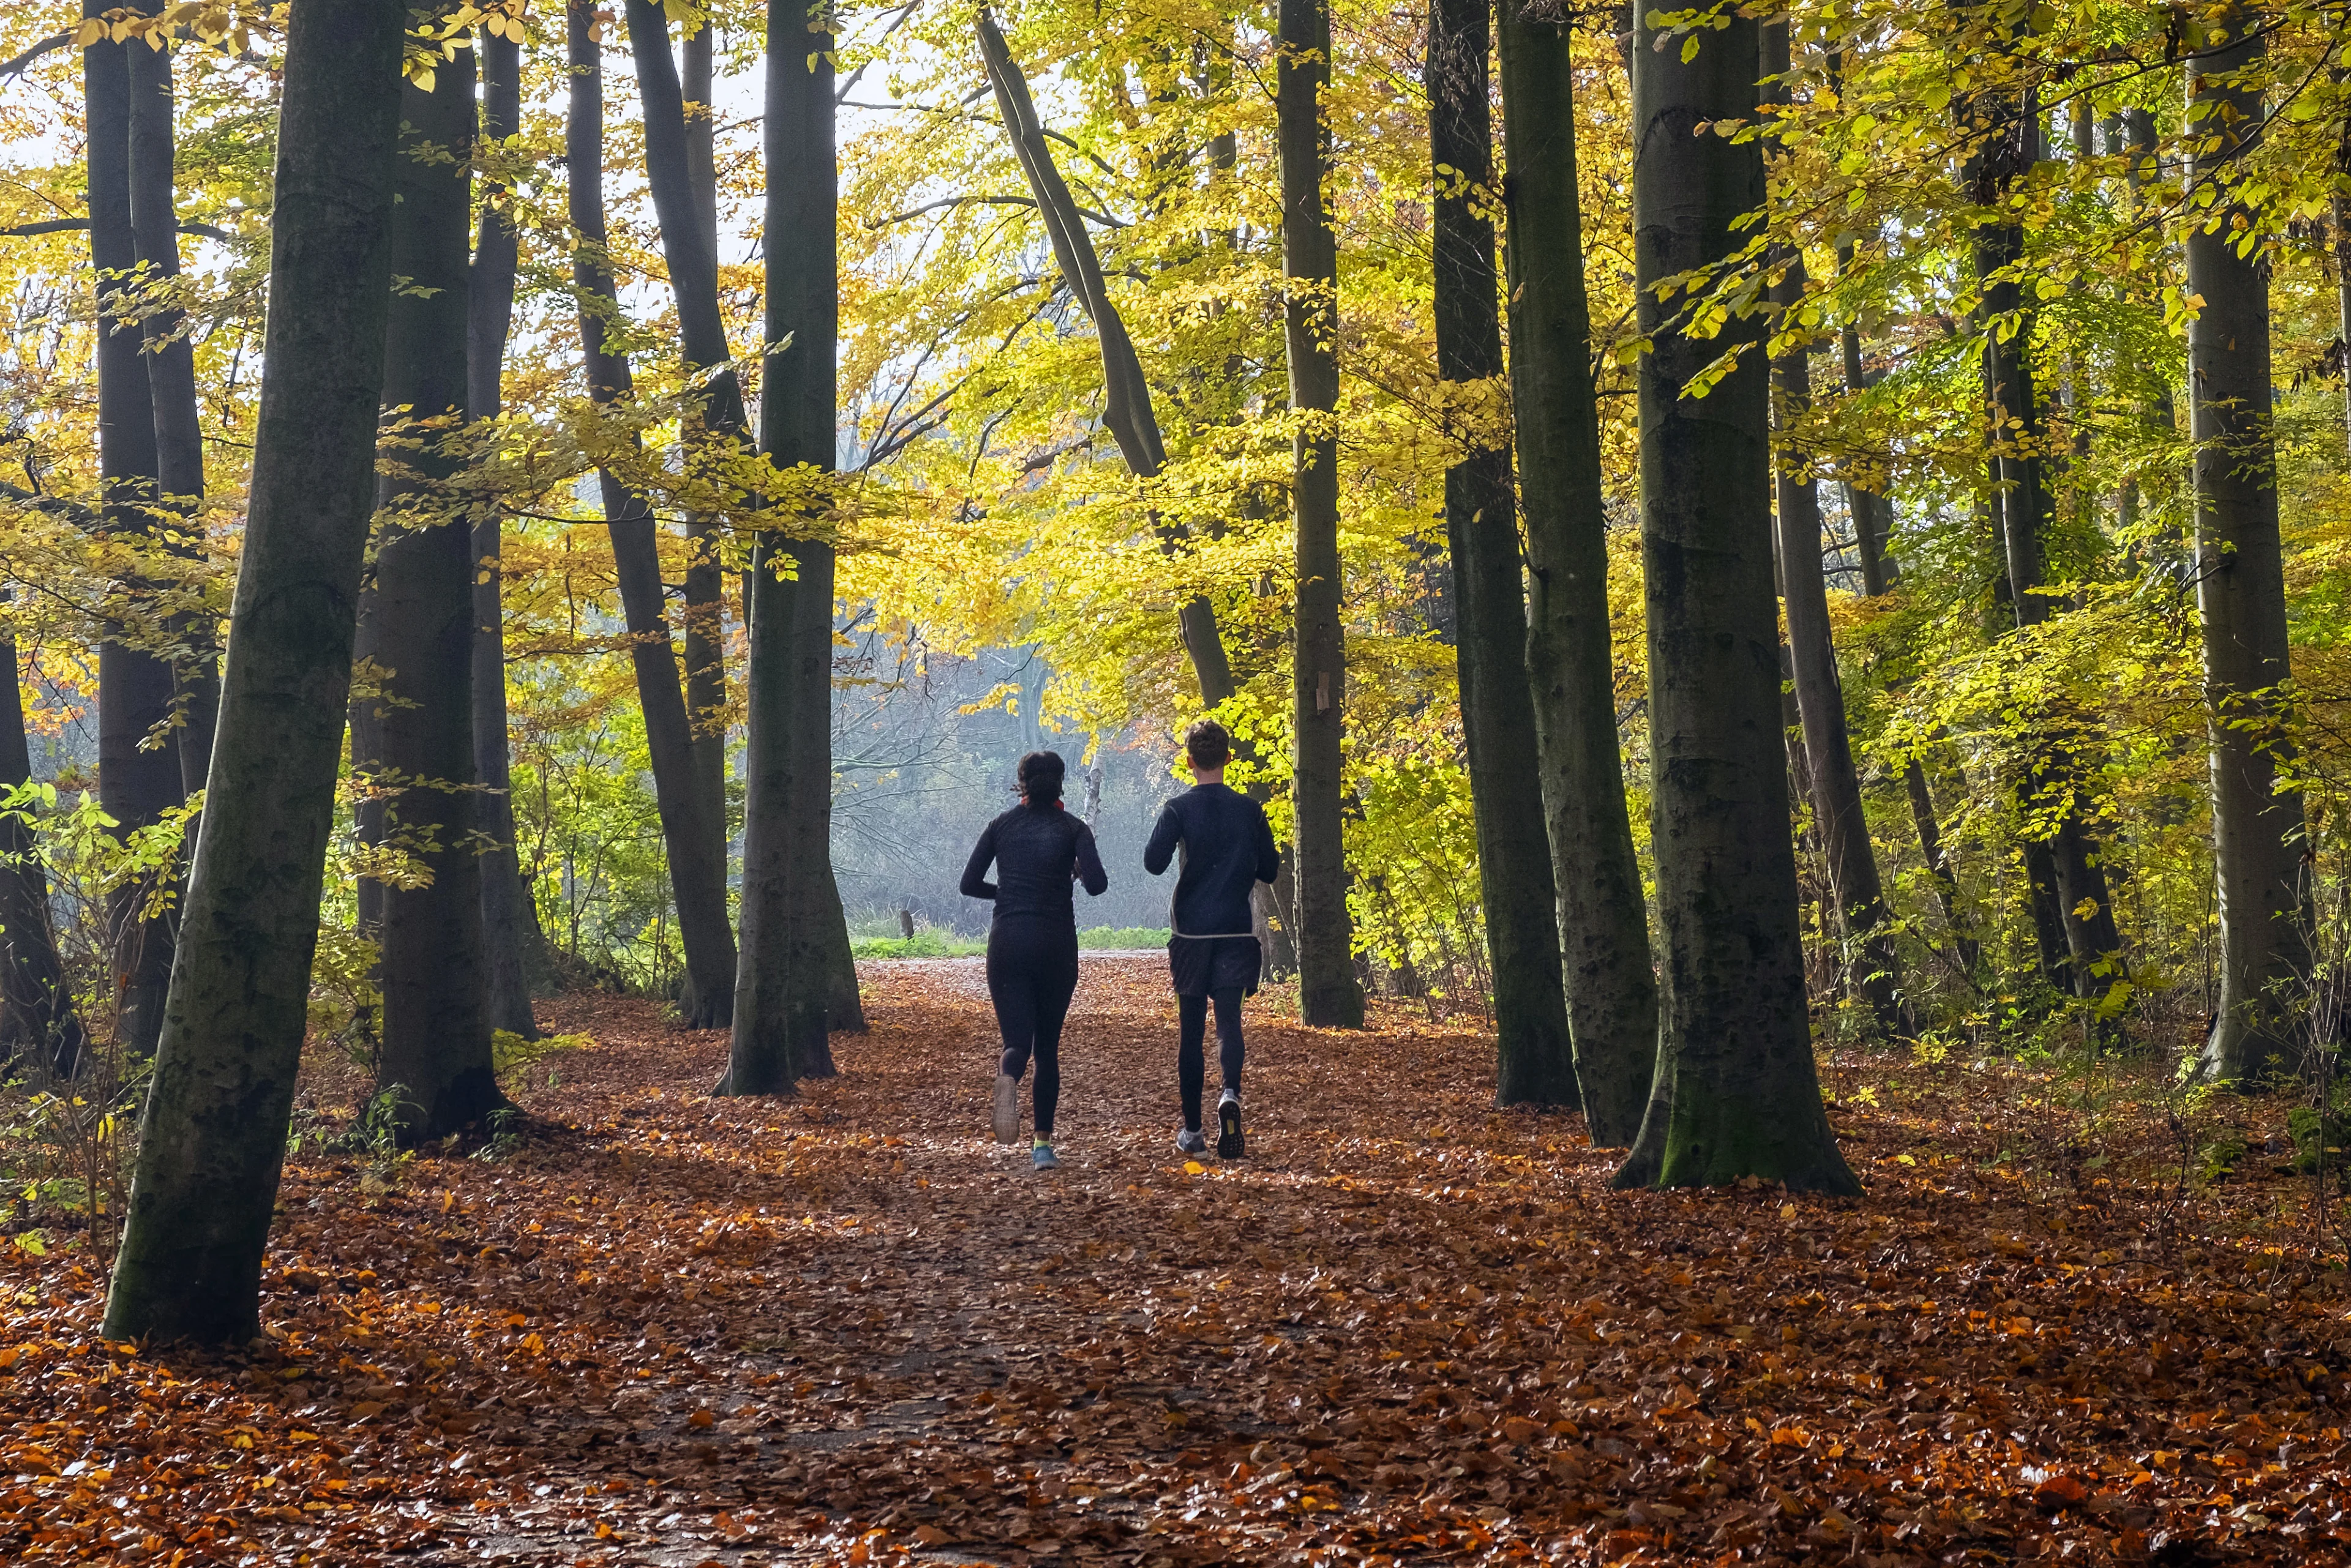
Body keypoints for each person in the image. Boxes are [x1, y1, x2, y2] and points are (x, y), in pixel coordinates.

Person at [959, 751, 1108, 1169]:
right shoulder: (1074, 828)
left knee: (1017, 1043)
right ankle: (1042, 1146)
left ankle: (1008, 1075)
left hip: (1007, 942)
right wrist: (1074, 870)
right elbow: (1098, 884)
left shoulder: (1000, 826)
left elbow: (969, 883)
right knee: (1047, 1049)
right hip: (1056, 943)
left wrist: (1005, 893)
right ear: (1060, 784)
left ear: (1020, 783)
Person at [1143, 719, 1278, 1159]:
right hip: (1237, 928)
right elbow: (1271, 871)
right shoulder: (1250, 810)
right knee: (1229, 1022)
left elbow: (1153, 862)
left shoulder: (1178, 808)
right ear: (1229, 758)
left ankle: (1193, 1131)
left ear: (1189, 760)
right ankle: (1231, 1093)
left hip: (1190, 933)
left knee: (1190, 1030)